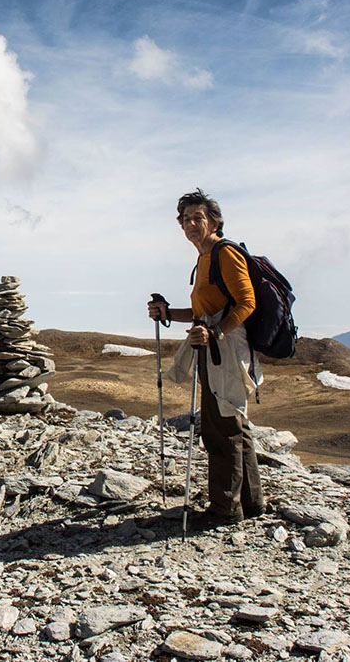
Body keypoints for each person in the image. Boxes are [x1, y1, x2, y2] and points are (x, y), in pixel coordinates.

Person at [148, 188, 265, 527]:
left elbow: (247, 303)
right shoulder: (205, 258)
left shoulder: (224, 254)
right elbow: (204, 311)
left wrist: (216, 332)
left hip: (225, 348)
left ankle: (224, 510)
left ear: (214, 221)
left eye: (197, 218)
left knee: (220, 428)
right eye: (185, 220)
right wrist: (168, 312)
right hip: (218, 344)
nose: (191, 224)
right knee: (233, 423)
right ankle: (250, 502)